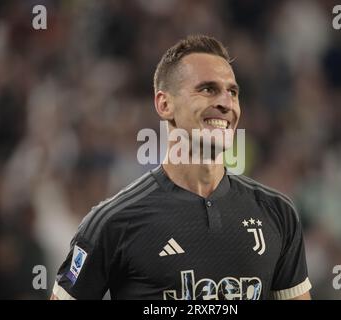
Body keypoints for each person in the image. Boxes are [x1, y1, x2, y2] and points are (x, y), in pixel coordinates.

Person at [51, 35, 312, 300]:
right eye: (208, 89)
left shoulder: (277, 213)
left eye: (232, 92)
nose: (226, 103)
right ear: (165, 105)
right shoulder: (114, 222)